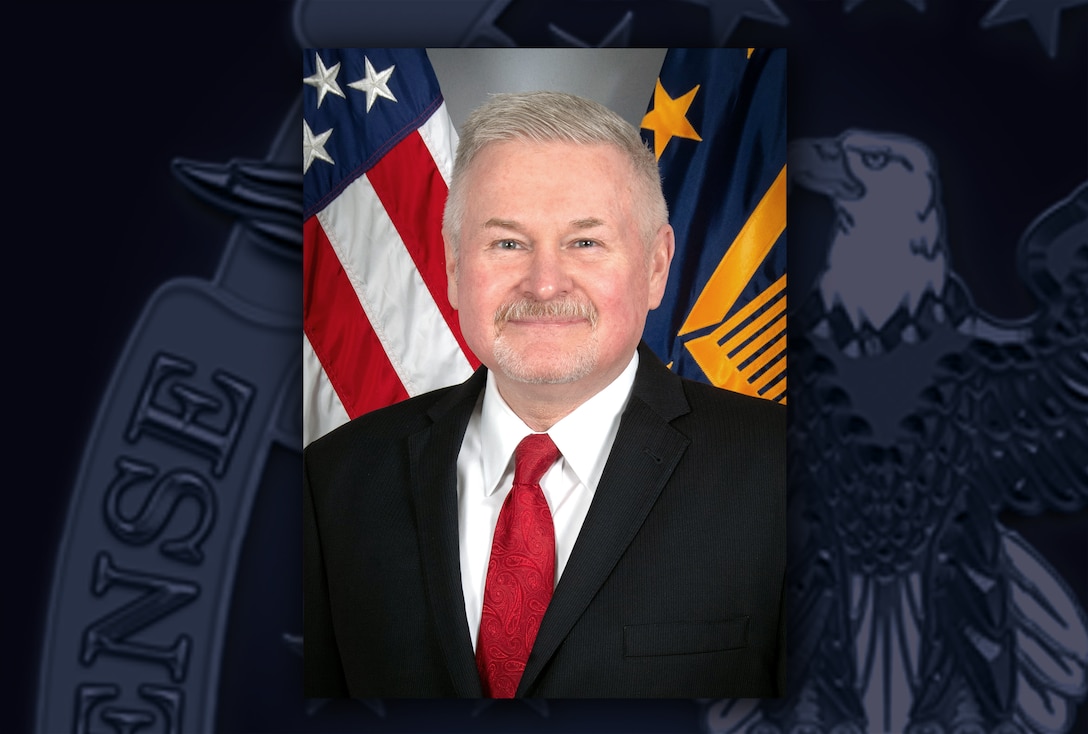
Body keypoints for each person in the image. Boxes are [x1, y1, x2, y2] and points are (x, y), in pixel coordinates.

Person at [303, 90, 786, 698]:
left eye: (585, 242)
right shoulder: (334, 478)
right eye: (507, 243)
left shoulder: (788, 472)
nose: (544, 282)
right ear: (454, 267)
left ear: (657, 265)